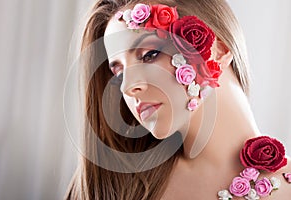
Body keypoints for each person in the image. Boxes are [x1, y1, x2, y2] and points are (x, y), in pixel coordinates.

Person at [65, 0, 291, 199]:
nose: (128, 87)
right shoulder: (110, 184)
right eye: (119, 73)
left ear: (218, 50)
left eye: (150, 54)